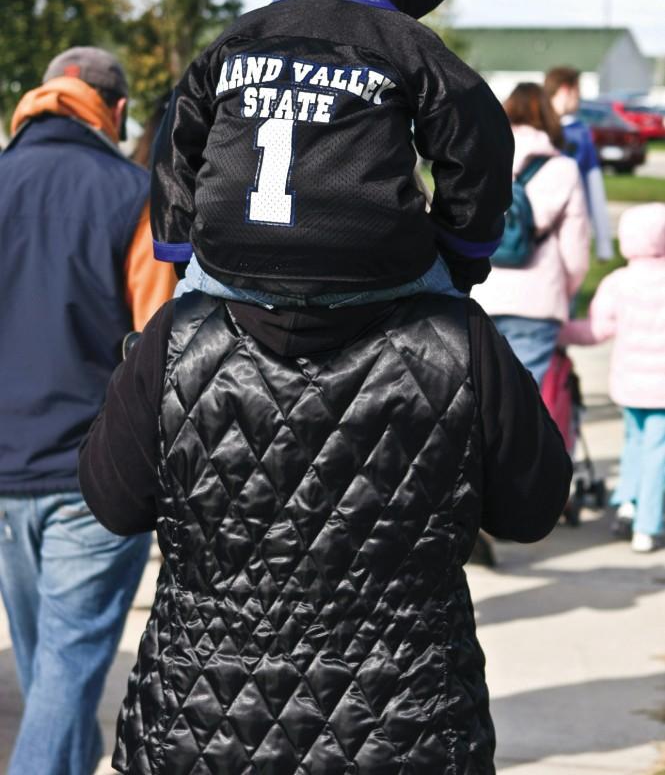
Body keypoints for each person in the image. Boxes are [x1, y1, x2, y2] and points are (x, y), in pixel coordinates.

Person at [80, 284, 572, 774]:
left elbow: (115, 502)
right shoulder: (456, 337)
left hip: (202, 723)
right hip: (405, 726)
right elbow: (531, 510)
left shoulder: (180, 334)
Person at [151, 0, 514, 307]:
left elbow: (173, 147)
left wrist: (183, 255)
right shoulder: (404, 42)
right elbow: (479, 142)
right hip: (374, 268)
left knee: (152, 358)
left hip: (230, 262)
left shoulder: (235, 39)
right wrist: (462, 255)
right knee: (486, 361)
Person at [0, 47, 177, 775]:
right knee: (63, 681)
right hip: (90, 478)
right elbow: (157, 342)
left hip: (5, 473)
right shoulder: (134, 194)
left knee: (53, 681)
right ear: (119, 110)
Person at [561, 203, 665, 553]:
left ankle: (627, 504)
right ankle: (648, 526)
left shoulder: (618, 282)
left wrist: (559, 333)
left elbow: (598, 329)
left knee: (634, 441)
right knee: (657, 451)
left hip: (629, 383)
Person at [473, 82, 590, 386]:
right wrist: (565, 294)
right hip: (537, 301)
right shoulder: (564, 169)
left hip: (480, 294)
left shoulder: (482, 160)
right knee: (525, 402)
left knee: (480, 398)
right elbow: (576, 253)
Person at [544, 65, 613, 262]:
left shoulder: (531, 129)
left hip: (531, 227)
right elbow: (595, 187)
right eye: (578, 91)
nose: (580, 98)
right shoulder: (580, 134)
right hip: (571, 227)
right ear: (567, 89)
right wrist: (603, 245)